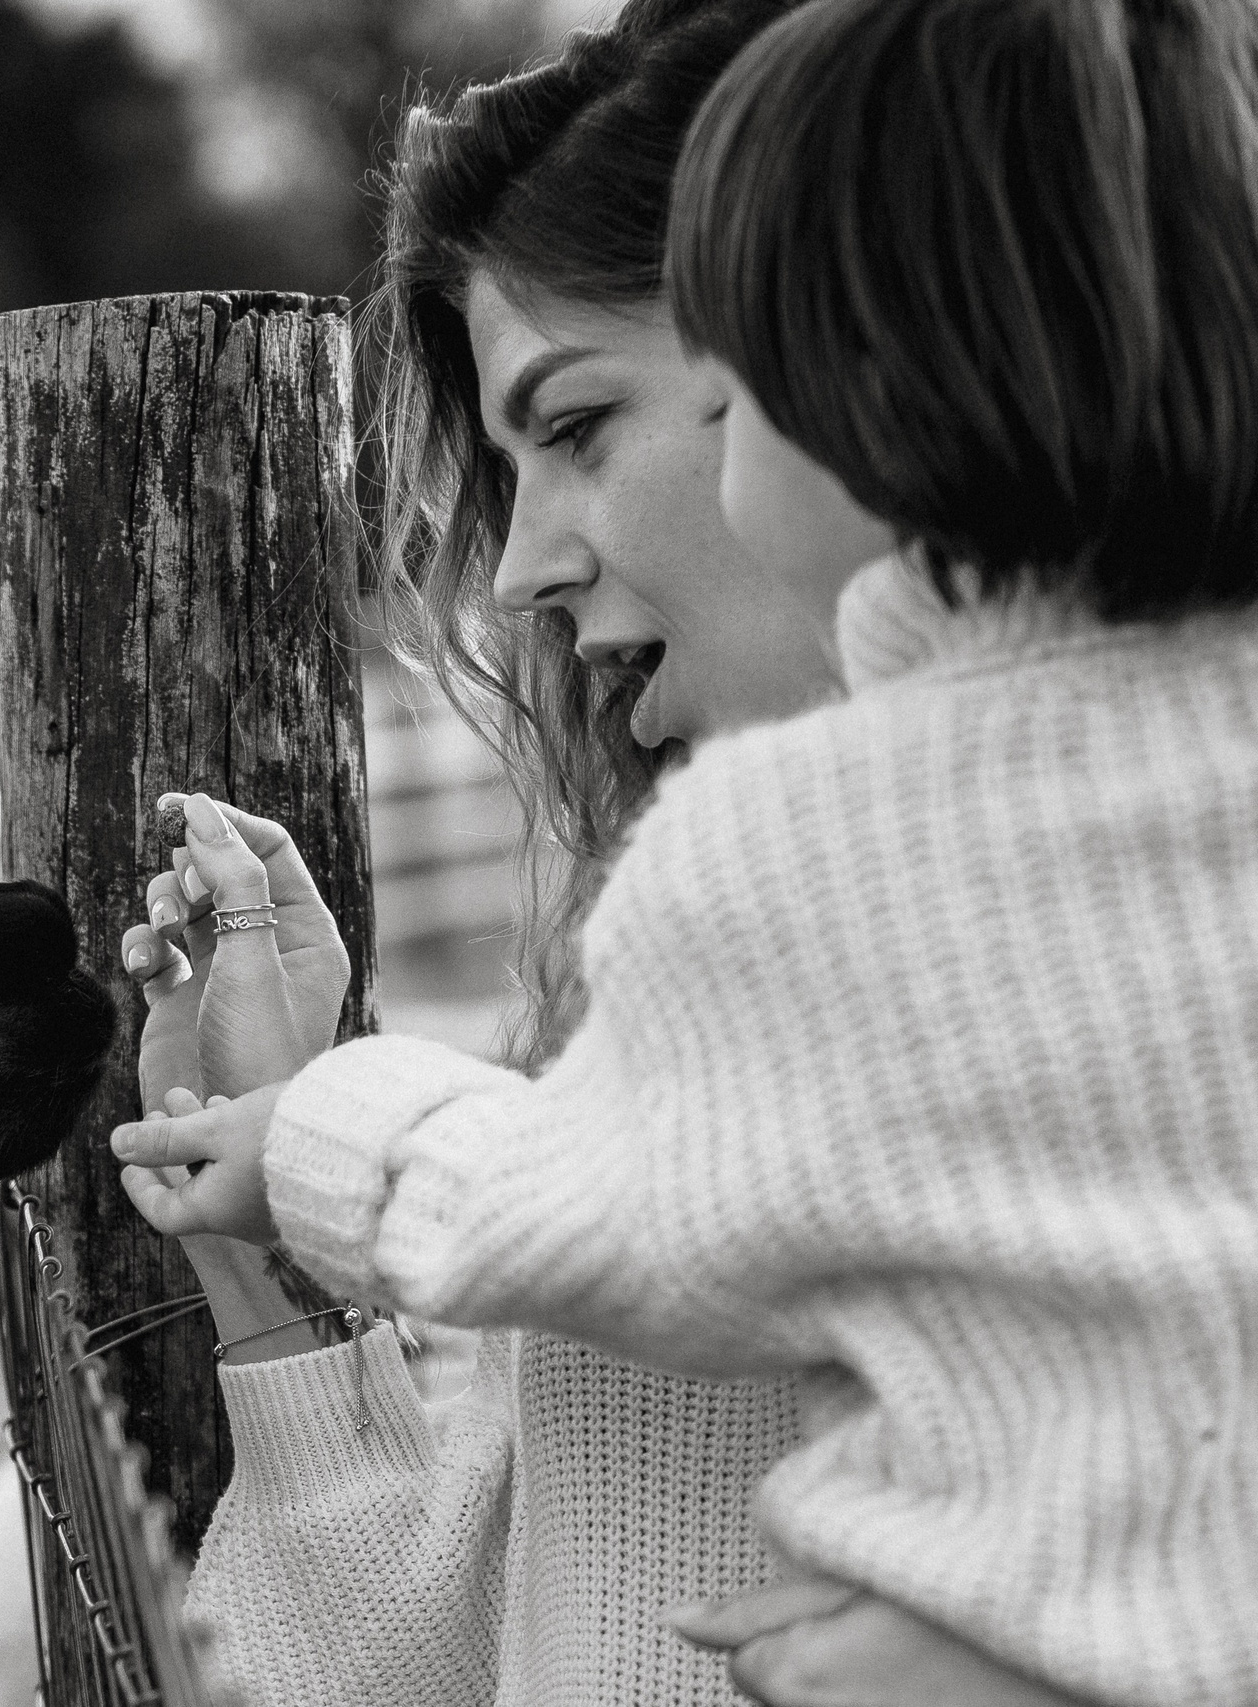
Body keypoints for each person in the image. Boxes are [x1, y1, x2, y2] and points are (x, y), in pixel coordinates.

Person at [119, 1, 1258, 1704]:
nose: (511, 574)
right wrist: (269, 1276)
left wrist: (322, 1131)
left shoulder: (796, 884)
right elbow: (508, 1654)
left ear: (890, 357)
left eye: (576, 423)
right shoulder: (765, 937)